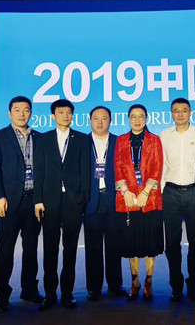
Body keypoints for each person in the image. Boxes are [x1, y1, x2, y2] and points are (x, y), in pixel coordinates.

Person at [0, 96, 43, 313]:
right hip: (9, 203)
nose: (22, 114)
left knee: (31, 249)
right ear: (10, 113)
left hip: (33, 202)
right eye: (17, 110)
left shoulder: (39, 137)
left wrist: (41, 199)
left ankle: (29, 290)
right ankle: (2, 294)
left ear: (31, 113)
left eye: (26, 110)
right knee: (5, 250)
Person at [34, 99, 90, 311]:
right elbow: (39, 170)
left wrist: (83, 199)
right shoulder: (43, 139)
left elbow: (86, 171)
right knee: (50, 249)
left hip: (73, 202)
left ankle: (67, 294)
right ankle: (50, 295)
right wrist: (38, 200)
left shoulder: (82, 139)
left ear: (72, 115)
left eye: (68, 112)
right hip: (49, 201)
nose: (65, 116)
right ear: (53, 116)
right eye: (60, 112)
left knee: (70, 250)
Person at [114, 104, 163, 302]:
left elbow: (157, 168)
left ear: (146, 118)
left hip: (150, 199)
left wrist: (145, 192)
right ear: (128, 119)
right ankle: (135, 282)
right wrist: (125, 192)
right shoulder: (121, 140)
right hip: (127, 199)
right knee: (131, 243)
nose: (137, 120)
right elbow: (117, 167)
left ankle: (149, 281)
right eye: (133, 116)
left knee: (150, 243)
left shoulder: (154, 140)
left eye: (141, 116)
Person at [160, 98, 195, 302]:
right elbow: (161, 165)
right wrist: (161, 193)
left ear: (190, 113)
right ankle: (176, 285)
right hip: (170, 193)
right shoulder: (164, 136)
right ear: (171, 114)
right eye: (176, 111)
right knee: (171, 243)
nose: (180, 114)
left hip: (194, 193)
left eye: (184, 110)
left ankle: (193, 285)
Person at [84, 106, 126, 301]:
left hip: (113, 199)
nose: (100, 122)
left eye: (104, 118)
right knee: (92, 246)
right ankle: (94, 287)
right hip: (91, 200)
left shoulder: (119, 142)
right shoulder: (82, 142)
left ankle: (115, 284)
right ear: (90, 120)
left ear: (111, 120)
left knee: (114, 245)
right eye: (96, 118)